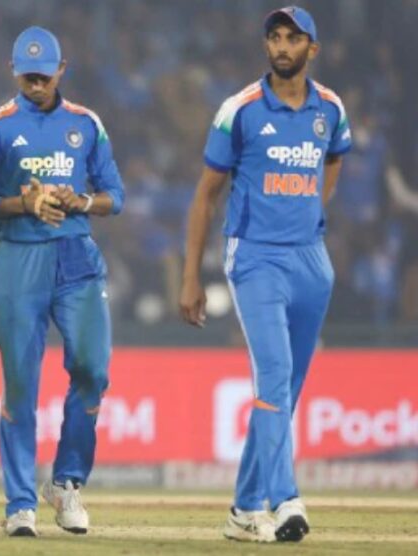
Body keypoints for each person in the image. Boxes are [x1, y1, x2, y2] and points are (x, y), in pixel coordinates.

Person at [179, 6, 350, 544]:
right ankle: (286, 499)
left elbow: (334, 158)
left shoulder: (330, 109)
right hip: (254, 256)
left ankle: (243, 510)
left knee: (283, 392)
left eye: (292, 38)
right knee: (274, 376)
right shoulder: (240, 109)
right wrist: (191, 276)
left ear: (311, 49)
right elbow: (205, 196)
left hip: (311, 259)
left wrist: (314, 212)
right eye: (274, 37)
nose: (281, 46)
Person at [0, 26, 124, 537]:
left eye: (44, 75)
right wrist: (21, 204)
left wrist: (81, 201)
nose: (36, 84)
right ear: (13, 71)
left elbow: (115, 195)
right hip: (18, 258)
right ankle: (20, 503)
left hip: (76, 256)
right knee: (20, 384)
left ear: (61, 70)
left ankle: (66, 483)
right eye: (28, 76)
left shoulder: (86, 124)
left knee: (93, 370)